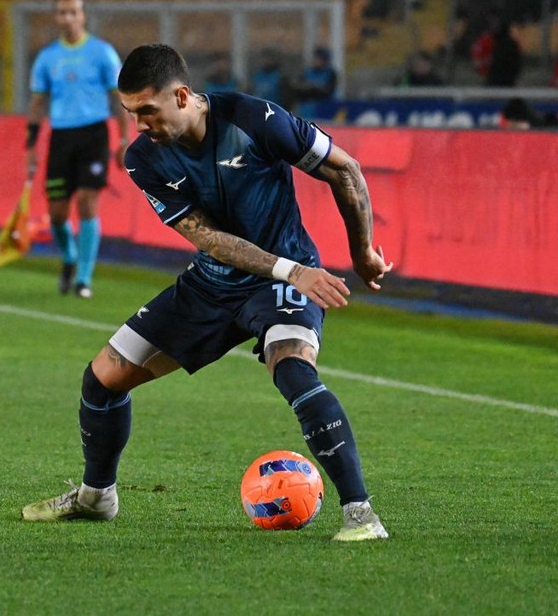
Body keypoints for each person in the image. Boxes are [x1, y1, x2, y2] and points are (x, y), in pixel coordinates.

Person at [21, 43, 393, 543]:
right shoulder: (143, 158)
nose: (139, 125)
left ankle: (361, 515)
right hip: (215, 283)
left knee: (292, 368)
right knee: (102, 379)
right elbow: (210, 240)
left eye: (147, 110)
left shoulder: (256, 119)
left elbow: (343, 169)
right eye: (130, 113)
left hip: (281, 284)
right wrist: (293, 272)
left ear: (181, 96)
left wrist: (362, 250)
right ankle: (96, 496)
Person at [26, 0, 129, 299]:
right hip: (61, 136)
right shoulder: (47, 58)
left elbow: (118, 98)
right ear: (56, 17)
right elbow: (38, 103)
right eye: (62, 12)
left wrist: (124, 139)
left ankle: (84, 278)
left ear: (83, 16)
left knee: (87, 200)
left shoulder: (102, 53)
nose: (68, 18)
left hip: (94, 134)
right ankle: (69, 257)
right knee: (57, 212)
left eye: (73, 12)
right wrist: (31, 145)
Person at [292, 46, 337, 120]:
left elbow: (329, 91)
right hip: (306, 109)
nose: (315, 61)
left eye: (318, 59)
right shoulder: (307, 72)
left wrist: (314, 87)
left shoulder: (330, 73)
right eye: (315, 58)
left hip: (323, 109)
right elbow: (298, 89)